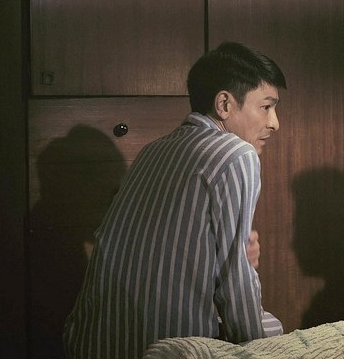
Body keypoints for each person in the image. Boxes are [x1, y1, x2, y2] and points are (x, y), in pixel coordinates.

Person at [64, 41, 287, 359]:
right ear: (224, 104)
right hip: (161, 349)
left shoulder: (152, 150)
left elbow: (167, 251)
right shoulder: (236, 153)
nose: (274, 122)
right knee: (273, 332)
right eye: (266, 107)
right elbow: (235, 279)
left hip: (89, 341)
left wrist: (227, 255)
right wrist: (259, 352)